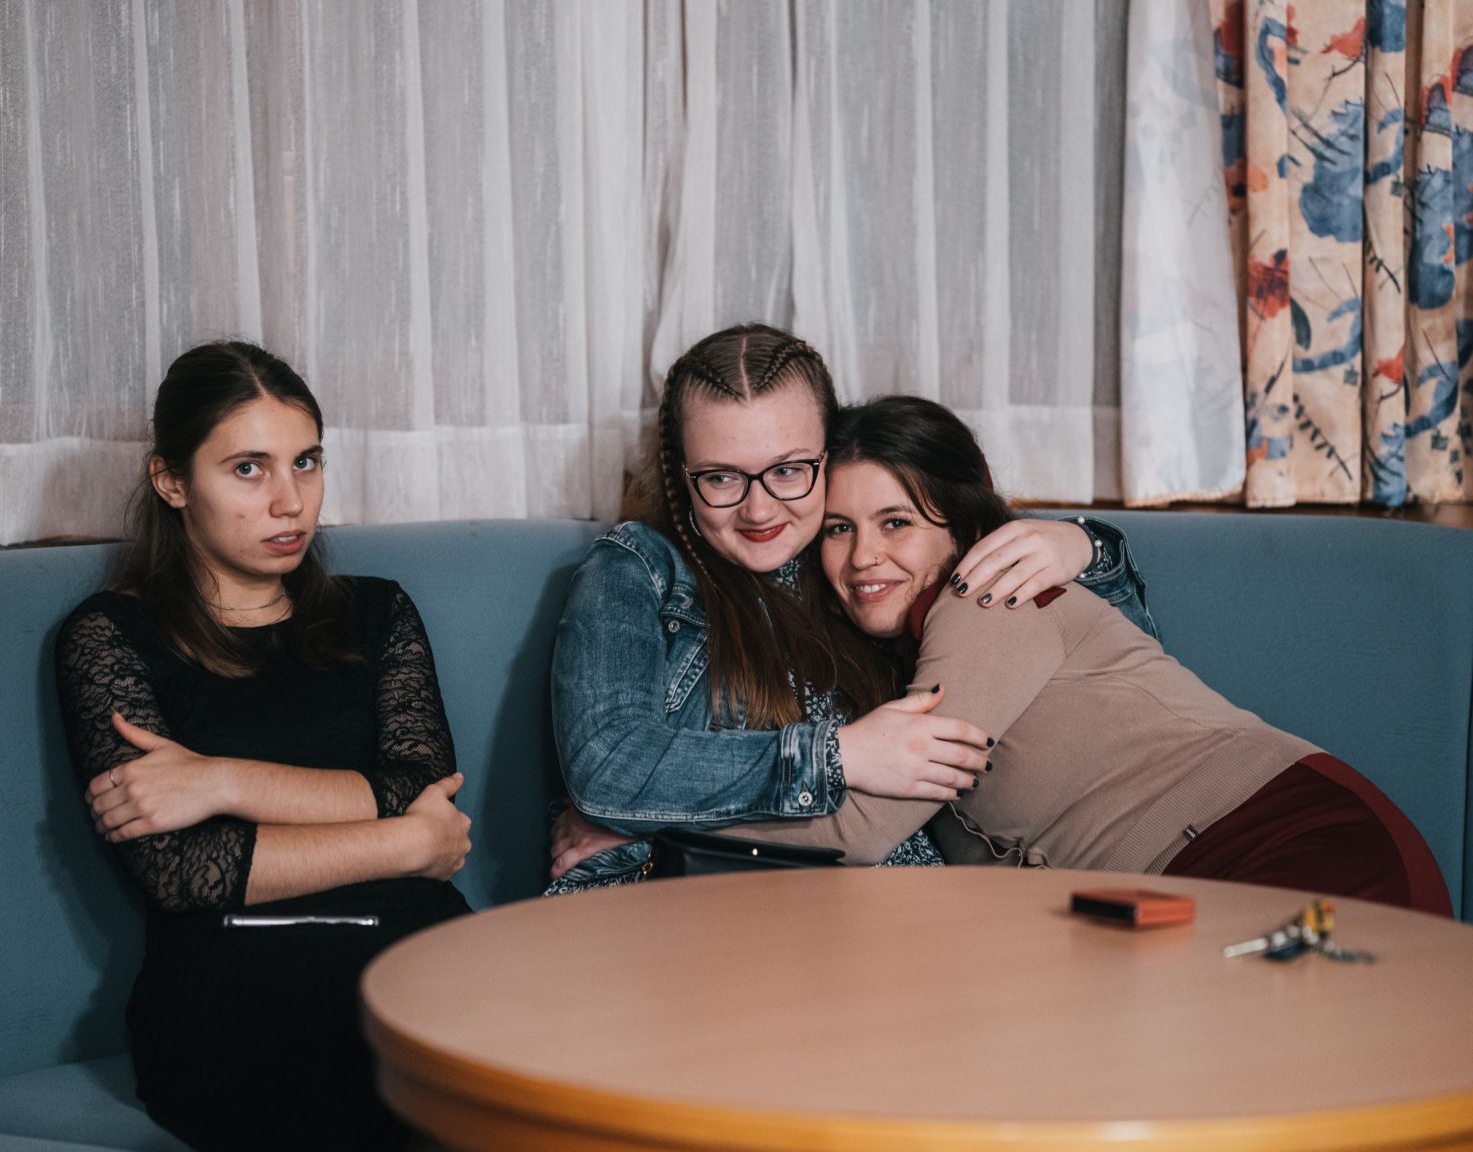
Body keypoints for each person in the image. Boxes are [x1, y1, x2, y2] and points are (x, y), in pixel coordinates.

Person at [775, 393, 1448, 913]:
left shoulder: (988, 597)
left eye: (896, 522)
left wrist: (707, 793)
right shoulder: (891, 664)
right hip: (1174, 892)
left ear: (965, 523)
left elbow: (866, 829)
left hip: (1283, 842)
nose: (863, 557)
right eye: (838, 529)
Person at [547, 324, 1155, 890]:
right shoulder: (639, 568)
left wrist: (1087, 547)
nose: (759, 510)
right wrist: (839, 755)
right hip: (716, 907)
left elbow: (1113, 667)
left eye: (789, 470)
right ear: (682, 476)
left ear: (826, 457)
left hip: (910, 909)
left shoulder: (861, 570)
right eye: (722, 478)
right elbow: (609, 762)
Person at [54, 342, 473, 1151]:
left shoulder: (377, 612)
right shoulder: (110, 637)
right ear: (172, 480)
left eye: (306, 462)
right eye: (248, 469)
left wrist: (222, 782)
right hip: (238, 981)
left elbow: (420, 782)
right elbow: (185, 872)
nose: (290, 501)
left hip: (423, 953)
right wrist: (408, 844)